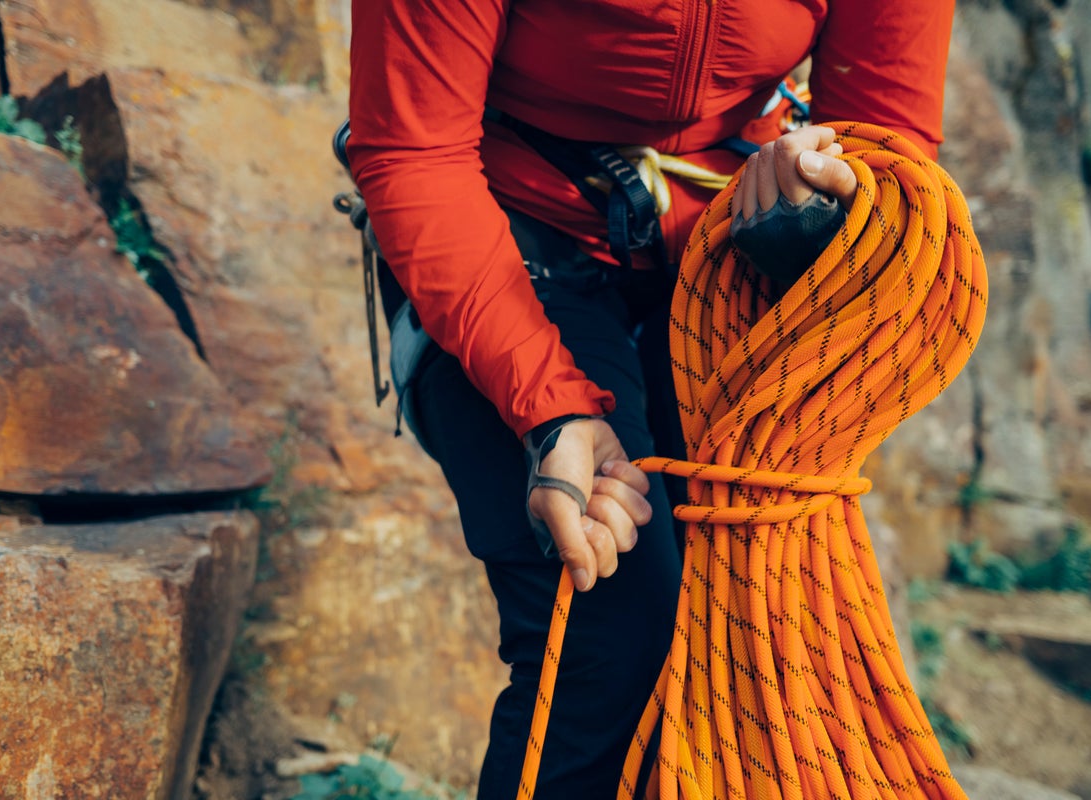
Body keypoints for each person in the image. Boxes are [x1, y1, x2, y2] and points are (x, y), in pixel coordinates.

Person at [346, 2, 955, 796]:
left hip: (732, 244)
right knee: (607, 628)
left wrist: (825, 205)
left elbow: (888, 140)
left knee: (742, 630)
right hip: (506, 234)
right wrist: (552, 410)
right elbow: (414, 148)